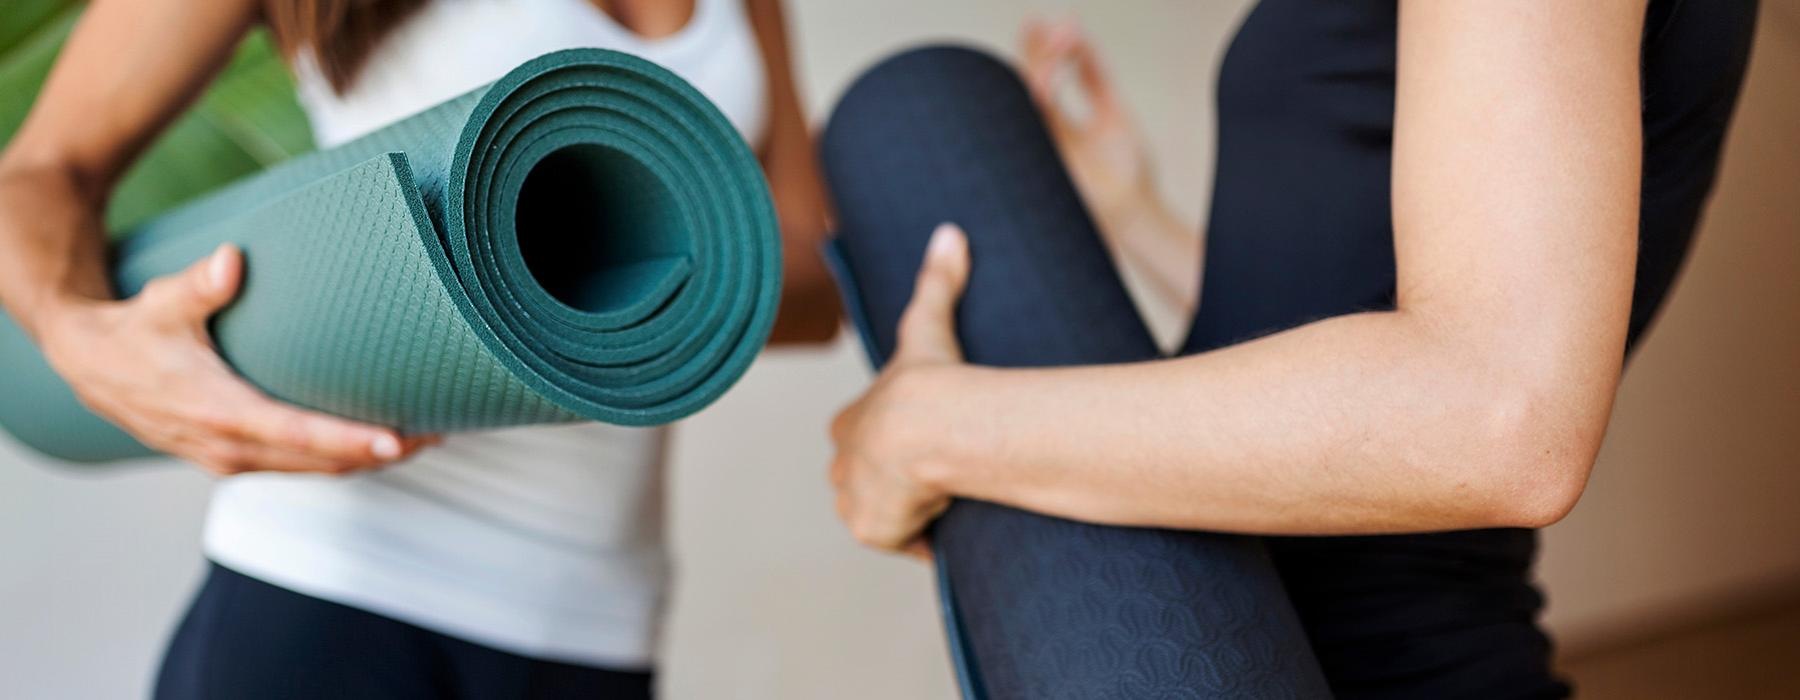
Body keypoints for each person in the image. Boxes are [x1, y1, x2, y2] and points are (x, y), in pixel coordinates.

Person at [826, 2, 1755, 697]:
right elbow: (1361, 318)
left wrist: (940, 429)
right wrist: (1135, 215)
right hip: (1221, 612)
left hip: (1386, 664)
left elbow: (1496, 412)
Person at [0, 0, 839, 697]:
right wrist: (83, 341)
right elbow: (38, 172)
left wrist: (635, 248)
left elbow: (811, 274)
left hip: (596, 618)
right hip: (332, 587)